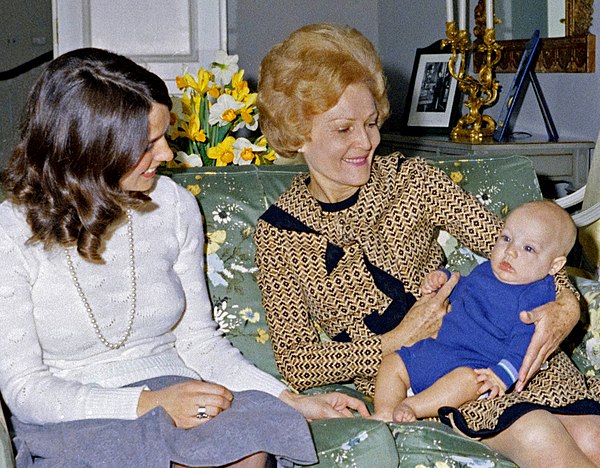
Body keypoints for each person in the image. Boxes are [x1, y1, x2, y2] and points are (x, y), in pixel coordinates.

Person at [0, 47, 370, 468]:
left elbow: (199, 342)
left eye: (164, 137)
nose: (167, 156)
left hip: (176, 390)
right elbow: (26, 391)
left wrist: (289, 400)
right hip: (79, 415)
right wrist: (148, 404)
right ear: (92, 149)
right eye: (147, 144)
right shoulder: (9, 233)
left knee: (251, 440)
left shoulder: (173, 205)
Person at [254, 23, 600, 467]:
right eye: (344, 129)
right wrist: (394, 340)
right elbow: (298, 363)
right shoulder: (279, 235)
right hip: (427, 379)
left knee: (593, 435)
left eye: (371, 123)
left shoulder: (414, 181)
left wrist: (566, 306)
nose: (366, 142)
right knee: (537, 434)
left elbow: (520, 245)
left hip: (506, 344)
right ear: (298, 133)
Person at [371, 200, 577, 422]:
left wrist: (501, 376)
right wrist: (445, 279)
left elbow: (526, 345)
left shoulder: (535, 296)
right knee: (393, 361)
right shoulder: (487, 270)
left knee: (469, 381)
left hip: (472, 367)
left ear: (555, 266)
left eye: (528, 248)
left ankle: (411, 407)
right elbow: (466, 289)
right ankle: (385, 413)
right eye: (506, 238)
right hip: (436, 351)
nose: (510, 252)